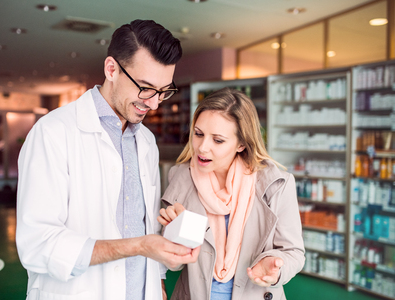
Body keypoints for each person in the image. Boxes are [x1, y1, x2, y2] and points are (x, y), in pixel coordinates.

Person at [16, 19, 199, 300]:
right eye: (146, 88)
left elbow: (146, 223)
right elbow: (37, 244)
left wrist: (159, 282)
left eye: (163, 91)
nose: (153, 103)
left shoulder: (146, 142)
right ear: (111, 69)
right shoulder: (53, 133)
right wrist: (137, 246)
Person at [158, 87, 305, 300]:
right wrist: (180, 231)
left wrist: (274, 268)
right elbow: (174, 265)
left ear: (242, 144)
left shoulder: (276, 184)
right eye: (198, 134)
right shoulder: (181, 178)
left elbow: (293, 253)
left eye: (218, 140)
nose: (202, 147)